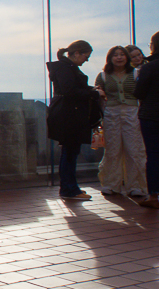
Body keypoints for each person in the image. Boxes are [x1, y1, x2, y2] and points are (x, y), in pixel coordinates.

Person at [46, 40, 100, 200]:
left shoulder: (65, 67)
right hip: (69, 115)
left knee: (70, 152)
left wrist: (90, 90)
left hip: (66, 114)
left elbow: (70, 89)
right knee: (70, 153)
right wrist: (94, 93)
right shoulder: (66, 68)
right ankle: (69, 189)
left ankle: (70, 188)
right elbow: (70, 91)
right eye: (85, 56)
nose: (86, 60)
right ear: (76, 53)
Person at [94, 46, 147, 197]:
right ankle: (111, 184)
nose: (119, 57)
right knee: (112, 149)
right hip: (111, 113)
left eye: (122, 55)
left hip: (132, 112)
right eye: (115, 55)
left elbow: (143, 93)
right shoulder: (103, 75)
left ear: (127, 57)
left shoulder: (136, 73)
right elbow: (97, 93)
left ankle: (135, 186)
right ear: (109, 58)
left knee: (134, 149)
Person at [134, 32, 159, 209]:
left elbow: (139, 93)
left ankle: (153, 196)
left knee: (153, 155)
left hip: (151, 116)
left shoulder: (149, 67)